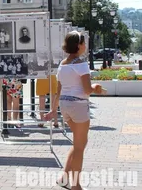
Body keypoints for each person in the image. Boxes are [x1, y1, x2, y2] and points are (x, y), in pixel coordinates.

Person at [44, 31, 104, 190]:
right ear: (78, 45)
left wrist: (53, 110)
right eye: (84, 43)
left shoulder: (62, 64)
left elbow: (58, 90)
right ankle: (76, 185)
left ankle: (64, 177)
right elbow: (86, 89)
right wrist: (96, 88)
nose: (85, 46)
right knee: (80, 146)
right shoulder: (82, 64)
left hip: (65, 106)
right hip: (78, 105)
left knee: (78, 144)